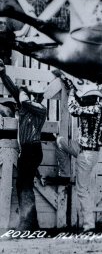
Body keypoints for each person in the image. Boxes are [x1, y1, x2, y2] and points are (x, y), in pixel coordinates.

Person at [0, 59, 47, 230]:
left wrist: (22, 93)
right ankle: (29, 222)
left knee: (24, 185)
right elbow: (16, 91)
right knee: (24, 184)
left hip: (31, 150)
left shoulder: (39, 108)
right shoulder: (32, 106)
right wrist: (3, 74)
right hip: (30, 149)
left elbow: (24, 100)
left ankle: (28, 223)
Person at [55, 71, 102, 232]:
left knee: (82, 189)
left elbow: (73, 109)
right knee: (60, 141)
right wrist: (69, 83)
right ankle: (65, 172)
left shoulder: (95, 109)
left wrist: (71, 91)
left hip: (86, 153)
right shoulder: (96, 107)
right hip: (86, 150)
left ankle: (89, 225)